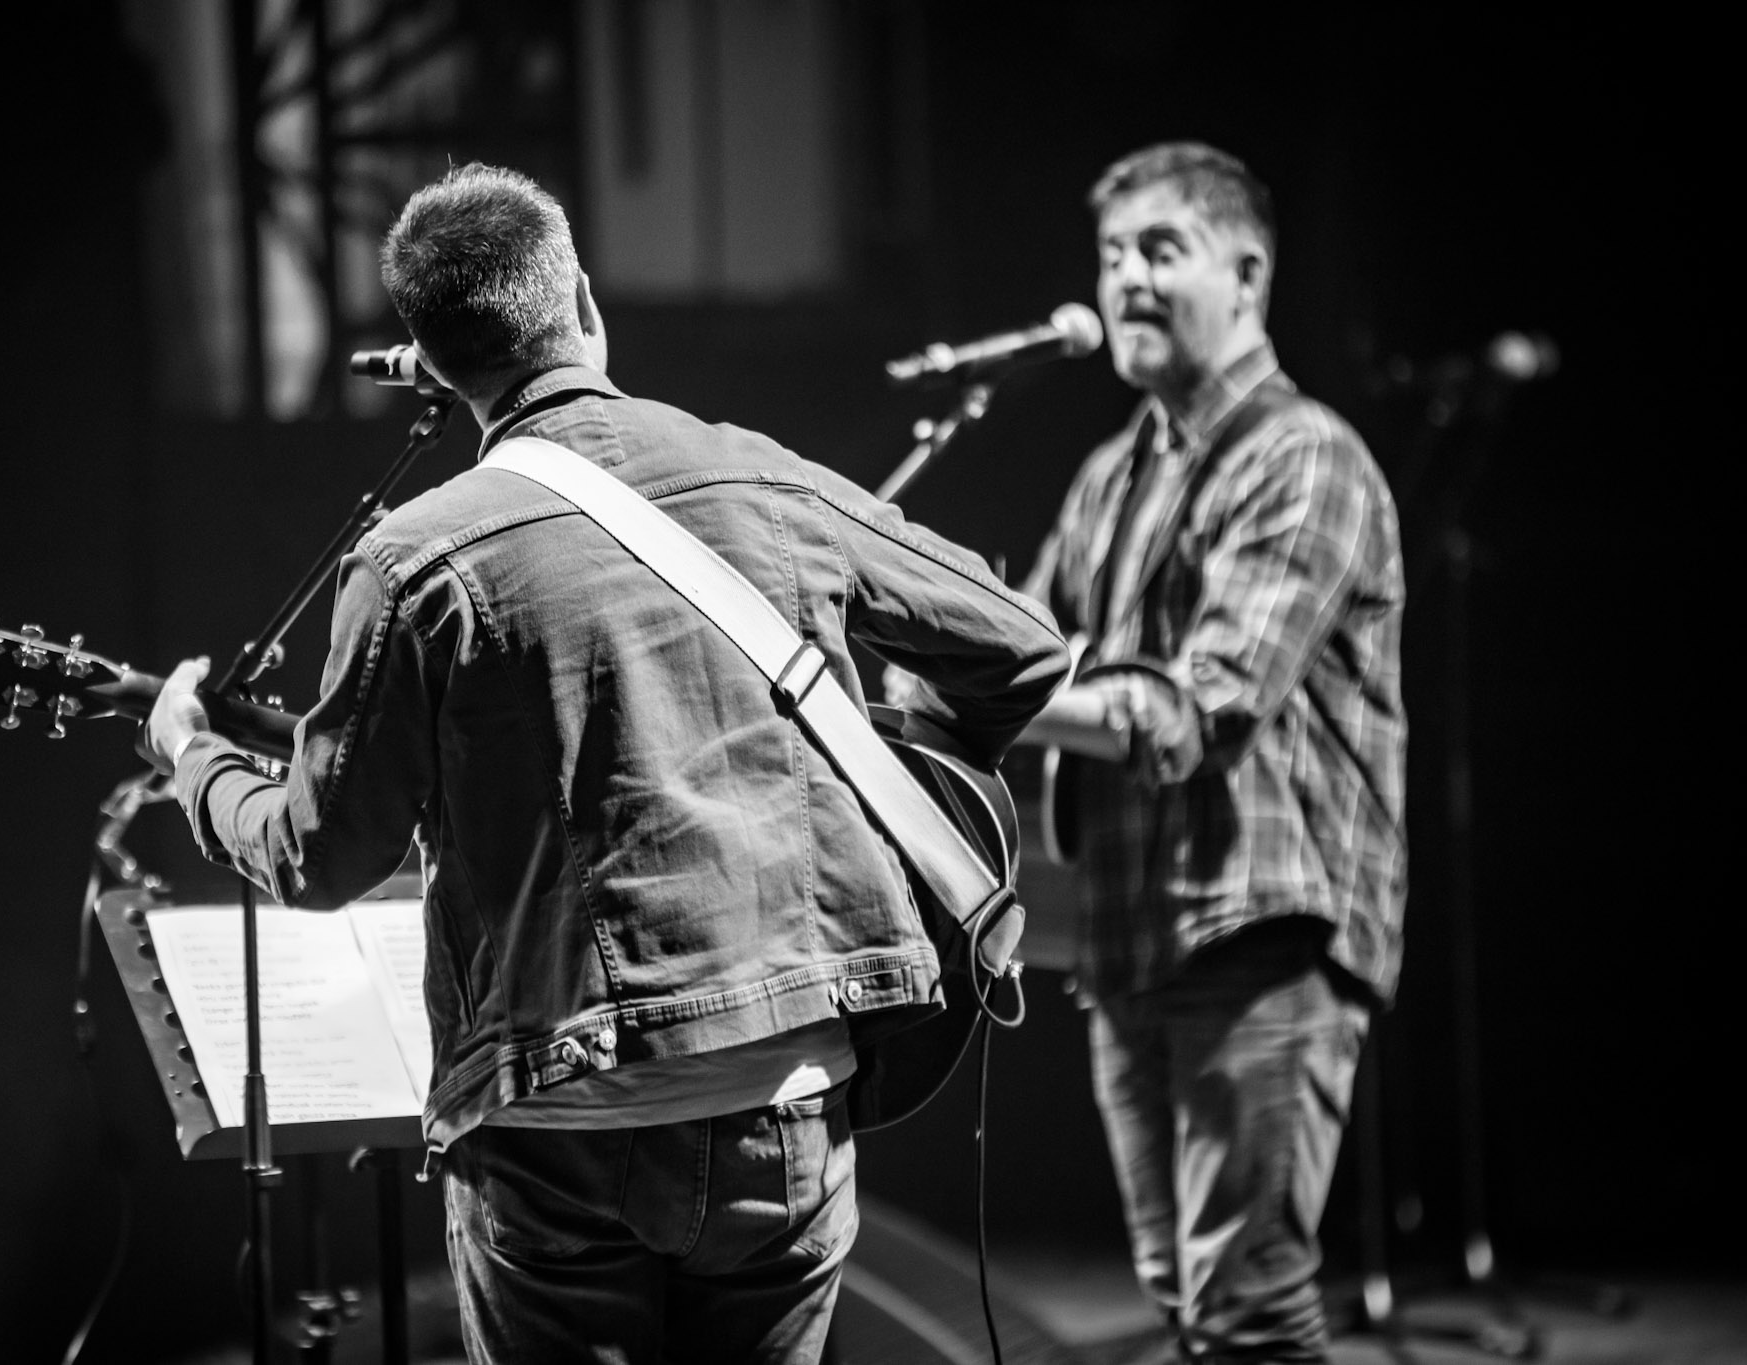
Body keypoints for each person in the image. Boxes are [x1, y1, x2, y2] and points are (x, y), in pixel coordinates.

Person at [143, 162, 1072, 1363]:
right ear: (581, 298)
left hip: (556, 1130)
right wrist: (898, 756)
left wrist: (191, 757)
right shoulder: (758, 472)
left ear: (432, 365)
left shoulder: (412, 562)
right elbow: (1022, 649)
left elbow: (316, 855)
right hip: (785, 1103)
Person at [1018, 142, 1407, 1363]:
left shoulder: (1303, 455)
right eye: (1110, 255)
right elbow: (1017, 642)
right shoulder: (1111, 473)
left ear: (1246, 274)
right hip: (1125, 935)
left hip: (1258, 930)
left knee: (1247, 1309)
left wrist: (996, 691)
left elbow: (1203, 707)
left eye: (1159, 250)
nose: (1125, 279)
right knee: (1186, 1303)